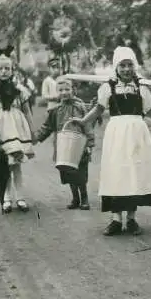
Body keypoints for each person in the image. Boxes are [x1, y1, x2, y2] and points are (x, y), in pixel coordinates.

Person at [71, 46, 151, 236]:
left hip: (137, 135)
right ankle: (115, 219)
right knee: (116, 172)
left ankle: (131, 219)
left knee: (134, 174)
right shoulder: (108, 88)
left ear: (134, 66)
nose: (127, 69)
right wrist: (83, 121)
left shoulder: (142, 89)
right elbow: (98, 109)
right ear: (116, 67)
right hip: (117, 135)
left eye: (130, 65)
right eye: (123, 65)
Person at [0, 43, 36, 214]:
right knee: (3, 164)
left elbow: (27, 111)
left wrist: (32, 130)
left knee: (16, 165)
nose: (4, 71)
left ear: (12, 70)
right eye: (0, 68)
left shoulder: (19, 90)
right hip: (0, 130)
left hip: (16, 129)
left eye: (7, 68)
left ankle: (20, 197)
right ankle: (6, 199)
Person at [34, 77, 94, 210]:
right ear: (57, 92)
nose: (64, 92)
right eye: (61, 90)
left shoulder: (80, 107)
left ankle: (84, 198)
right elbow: (47, 127)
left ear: (73, 90)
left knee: (81, 174)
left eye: (67, 89)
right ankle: (75, 198)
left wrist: (89, 144)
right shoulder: (56, 110)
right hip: (63, 147)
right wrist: (37, 137)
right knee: (68, 172)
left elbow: (88, 125)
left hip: (80, 146)